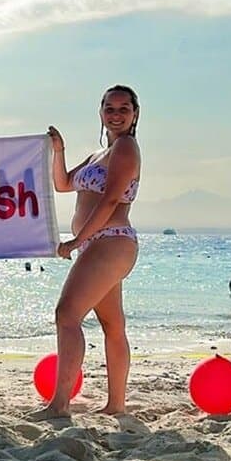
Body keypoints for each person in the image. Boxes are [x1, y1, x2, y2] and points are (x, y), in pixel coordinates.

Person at [34, 85, 142, 419]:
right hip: (102, 244)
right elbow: (63, 183)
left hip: (110, 240)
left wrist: (76, 241)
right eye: (110, 108)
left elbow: (110, 200)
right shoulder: (100, 154)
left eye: (124, 109)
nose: (116, 114)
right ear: (101, 113)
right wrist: (59, 150)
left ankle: (60, 404)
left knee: (67, 315)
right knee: (112, 325)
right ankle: (116, 406)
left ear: (135, 114)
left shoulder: (125, 148)